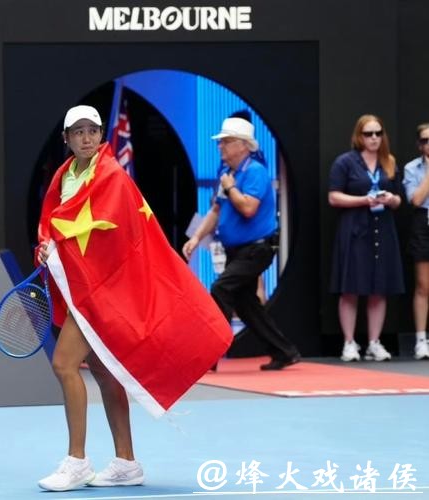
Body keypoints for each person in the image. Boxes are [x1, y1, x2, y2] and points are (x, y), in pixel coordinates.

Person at [36, 105, 230, 491]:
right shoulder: (63, 176)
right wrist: (47, 246)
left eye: (93, 130)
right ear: (66, 138)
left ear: (101, 134)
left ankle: (77, 461)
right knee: (105, 372)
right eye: (78, 131)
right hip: (80, 287)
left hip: (104, 290)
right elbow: (52, 225)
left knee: (63, 364)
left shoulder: (111, 175)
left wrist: (61, 244)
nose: (87, 138)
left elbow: (113, 236)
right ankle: (126, 463)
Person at [183, 116, 301, 370]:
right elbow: (215, 211)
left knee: (221, 288)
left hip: (257, 248)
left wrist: (231, 188)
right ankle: (284, 351)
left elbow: (248, 208)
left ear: (243, 145)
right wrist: (196, 237)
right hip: (237, 250)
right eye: (221, 142)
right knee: (246, 304)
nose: (220, 146)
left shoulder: (255, 172)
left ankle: (212, 352)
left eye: (226, 142)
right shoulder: (227, 173)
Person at [328, 114, 403, 362]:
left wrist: (390, 199)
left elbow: (399, 199)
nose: (374, 138)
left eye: (378, 133)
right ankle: (349, 342)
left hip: (382, 228)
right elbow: (334, 197)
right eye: (369, 134)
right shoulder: (345, 162)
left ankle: (374, 342)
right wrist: (363, 200)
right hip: (355, 229)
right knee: (350, 287)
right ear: (359, 136)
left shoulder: (389, 162)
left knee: (379, 288)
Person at [402, 122, 429, 360]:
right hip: (423, 222)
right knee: (423, 285)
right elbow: (416, 200)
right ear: (419, 145)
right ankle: (421, 339)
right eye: (425, 140)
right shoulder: (412, 168)